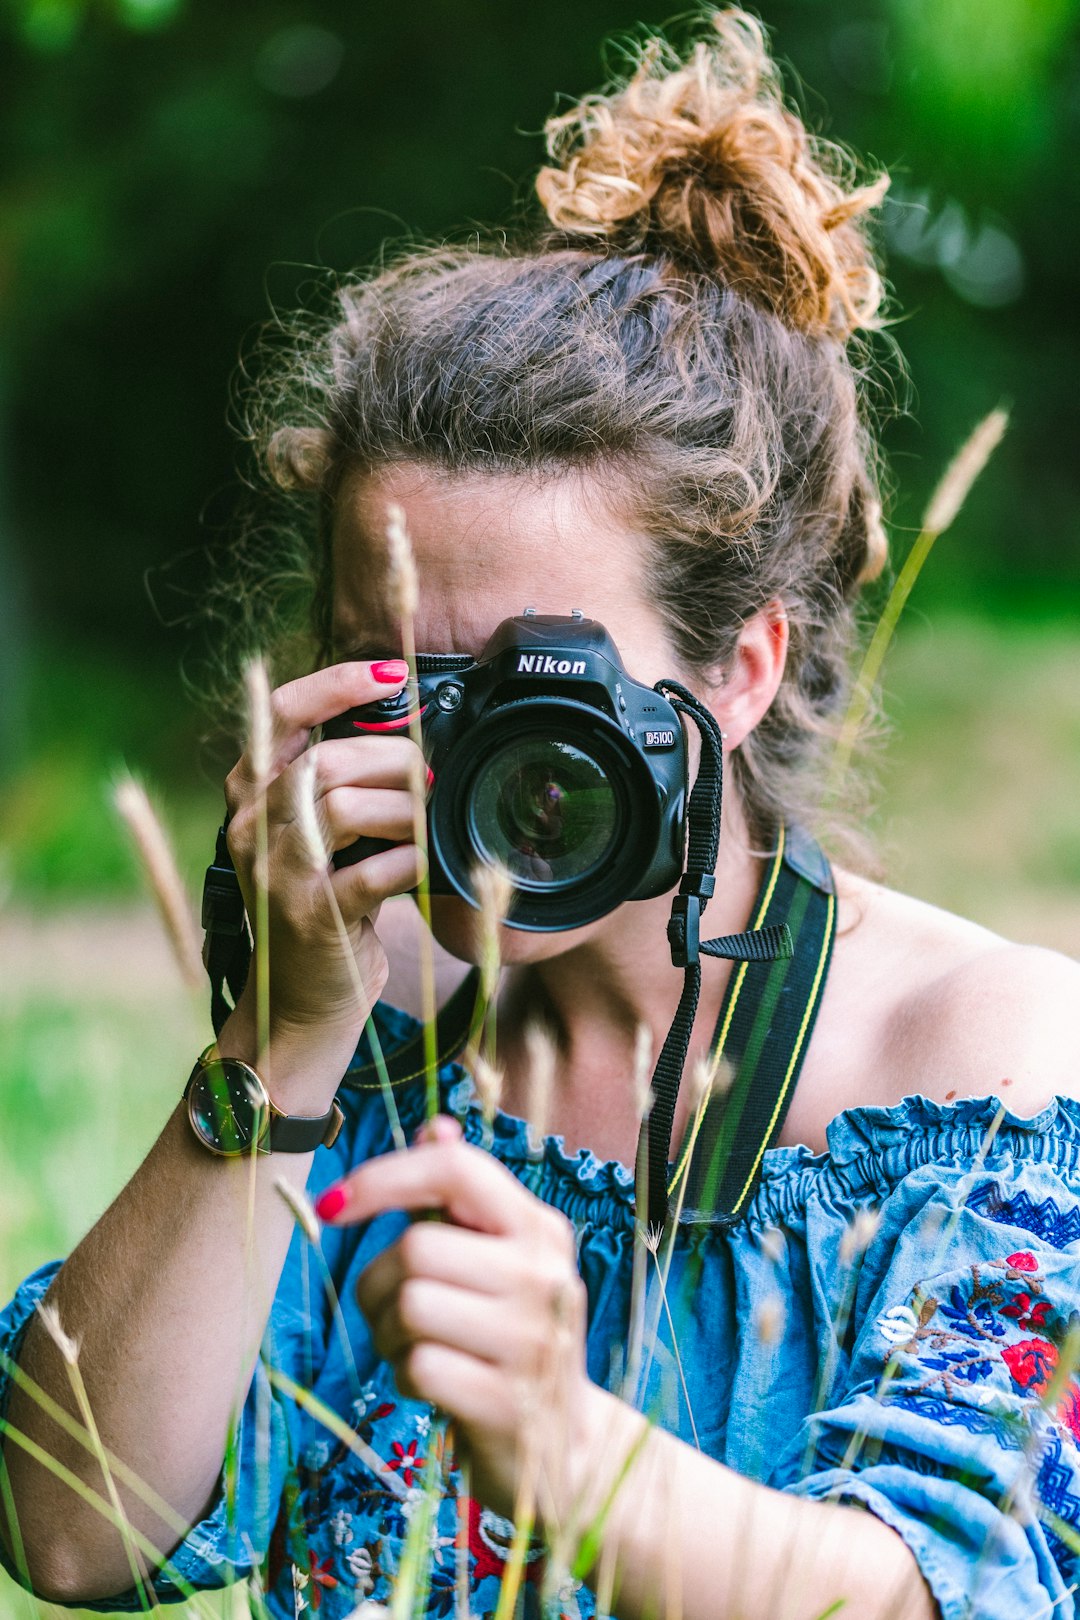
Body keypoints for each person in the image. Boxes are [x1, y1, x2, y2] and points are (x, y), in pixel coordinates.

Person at [3, 11, 1080, 1619]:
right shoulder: (372, 1046)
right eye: (404, 676)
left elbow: (949, 1588)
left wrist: (564, 1445)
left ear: (742, 668)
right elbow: (74, 1530)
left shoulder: (982, 1060)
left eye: (545, 682)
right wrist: (279, 1045)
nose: (486, 752)